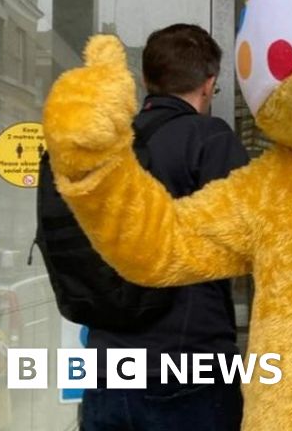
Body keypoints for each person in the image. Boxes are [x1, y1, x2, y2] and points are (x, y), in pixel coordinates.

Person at [81, 24, 248, 431]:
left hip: (108, 366)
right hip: (190, 362)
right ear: (208, 84)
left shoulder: (109, 145)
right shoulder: (209, 138)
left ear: (146, 81)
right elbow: (246, 238)